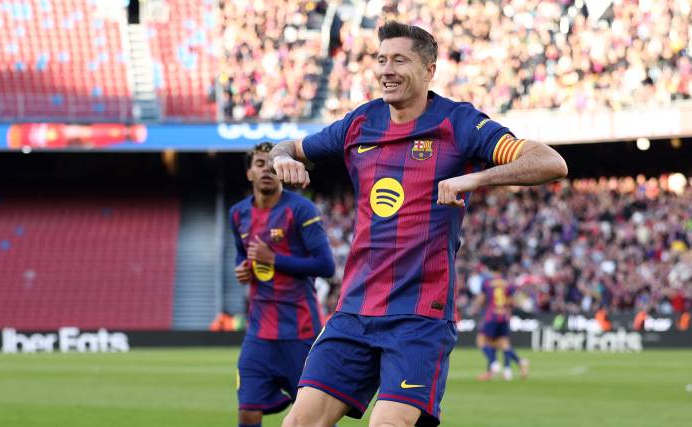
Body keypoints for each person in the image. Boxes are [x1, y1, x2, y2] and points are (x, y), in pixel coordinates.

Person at [270, 21, 567, 427]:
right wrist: (283, 158)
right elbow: (290, 147)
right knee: (298, 422)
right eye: (381, 60)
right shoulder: (360, 123)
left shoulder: (459, 123)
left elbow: (550, 161)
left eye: (399, 60)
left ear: (429, 70)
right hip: (354, 309)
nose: (386, 70)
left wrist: (473, 178)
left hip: (419, 318)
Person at [229, 142, 336, 427]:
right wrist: (243, 268)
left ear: (280, 171)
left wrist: (273, 259)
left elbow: (327, 266)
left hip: (300, 331)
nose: (266, 170)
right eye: (259, 164)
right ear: (250, 173)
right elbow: (243, 253)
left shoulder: (301, 210)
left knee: (315, 417)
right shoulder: (238, 214)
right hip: (259, 333)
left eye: (271, 165)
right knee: (248, 409)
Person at [473, 259, 528, 381]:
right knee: (502, 343)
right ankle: (516, 365)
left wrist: (477, 306)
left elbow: (481, 300)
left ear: (489, 269)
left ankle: (494, 364)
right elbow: (517, 299)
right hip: (504, 316)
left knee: (481, 340)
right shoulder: (507, 283)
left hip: (492, 315)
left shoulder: (487, 282)